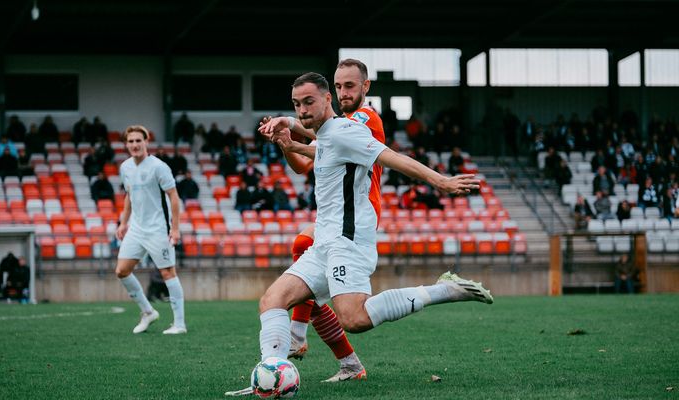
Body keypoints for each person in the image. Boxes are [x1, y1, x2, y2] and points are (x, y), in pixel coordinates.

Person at [226, 72, 489, 396]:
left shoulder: (346, 130)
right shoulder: (326, 136)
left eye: (309, 101)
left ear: (327, 100)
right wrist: (286, 136)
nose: (303, 110)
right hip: (325, 241)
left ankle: (444, 291)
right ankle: (271, 376)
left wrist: (441, 181)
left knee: (355, 319)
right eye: (297, 104)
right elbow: (307, 145)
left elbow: (392, 157)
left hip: (348, 243)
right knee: (272, 301)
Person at [254, 59, 388, 384]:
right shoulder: (332, 126)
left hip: (358, 213)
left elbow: (322, 143)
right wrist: (285, 144)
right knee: (303, 268)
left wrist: (288, 122)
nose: (343, 92)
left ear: (365, 87)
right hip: (332, 215)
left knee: (303, 249)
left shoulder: (363, 119)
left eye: (350, 86)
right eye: (339, 86)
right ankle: (349, 362)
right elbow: (302, 165)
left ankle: (298, 334)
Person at [115, 125, 187, 335]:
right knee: (121, 271)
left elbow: (174, 196)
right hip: (136, 229)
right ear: (126, 144)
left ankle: (179, 324)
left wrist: (175, 229)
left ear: (146, 142)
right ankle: (147, 312)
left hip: (158, 229)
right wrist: (123, 222)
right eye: (131, 141)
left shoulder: (159, 167)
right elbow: (128, 195)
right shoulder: (125, 168)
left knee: (167, 273)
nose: (135, 145)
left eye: (139, 140)